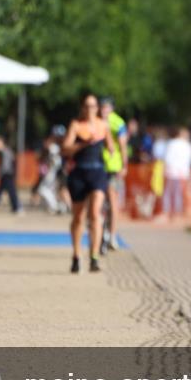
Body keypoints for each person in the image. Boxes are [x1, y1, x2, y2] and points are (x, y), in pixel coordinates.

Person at [63, 93, 116, 274]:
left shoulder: (104, 126)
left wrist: (111, 150)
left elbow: (111, 147)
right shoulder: (76, 126)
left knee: (95, 213)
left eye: (93, 106)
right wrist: (83, 144)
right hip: (79, 172)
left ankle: (94, 256)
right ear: (82, 108)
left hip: (98, 172)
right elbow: (66, 148)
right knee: (78, 217)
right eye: (87, 105)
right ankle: (77, 255)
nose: (90, 109)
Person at [99, 97, 128, 251]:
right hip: (98, 166)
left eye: (106, 107)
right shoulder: (96, 120)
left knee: (112, 200)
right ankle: (99, 232)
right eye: (102, 107)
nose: (104, 110)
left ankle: (112, 235)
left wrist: (124, 165)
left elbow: (123, 145)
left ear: (112, 109)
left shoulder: (118, 123)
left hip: (112, 167)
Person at [163, 127, 191, 221]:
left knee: (169, 193)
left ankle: (168, 211)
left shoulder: (172, 143)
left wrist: (166, 169)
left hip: (173, 172)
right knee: (179, 193)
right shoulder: (188, 145)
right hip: (183, 173)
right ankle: (177, 212)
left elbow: (168, 158)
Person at [0, 136, 21, 214]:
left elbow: (6, 165)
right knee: (0, 191)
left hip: (7, 174)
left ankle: (17, 207)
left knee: (11, 192)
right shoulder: (3, 152)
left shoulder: (5, 152)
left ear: (1, 143)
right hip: (6, 174)